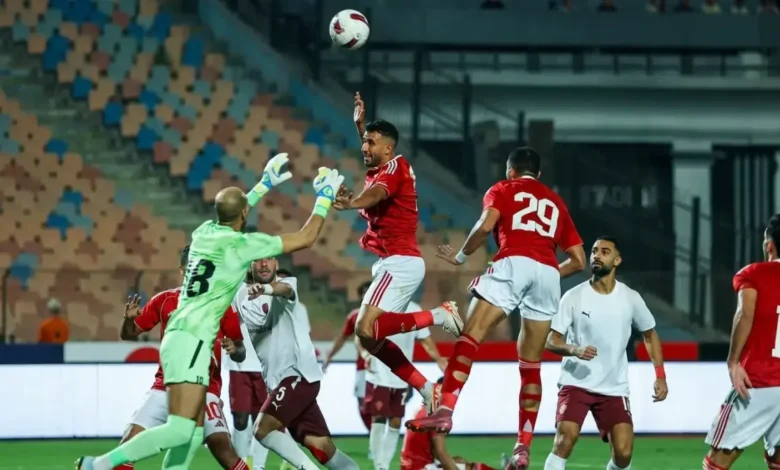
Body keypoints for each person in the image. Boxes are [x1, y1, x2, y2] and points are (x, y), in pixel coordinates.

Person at [76, 155, 345, 470]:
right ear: (243, 213)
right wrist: (324, 197)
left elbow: (232, 212)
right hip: (194, 341)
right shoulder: (241, 247)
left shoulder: (202, 233)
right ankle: (99, 465)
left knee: (190, 433)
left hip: (179, 336)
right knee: (180, 430)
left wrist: (263, 185)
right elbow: (305, 238)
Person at [405, 146, 587, 470]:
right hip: (547, 274)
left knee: (470, 336)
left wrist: (460, 256)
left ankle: (445, 410)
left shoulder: (502, 189)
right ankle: (523, 446)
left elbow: (485, 225)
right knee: (530, 365)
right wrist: (545, 271)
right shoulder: (556, 202)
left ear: (510, 171)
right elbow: (579, 260)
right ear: (538, 174)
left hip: (513, 260)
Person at [333, 92, 463, 413]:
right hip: (394, 262)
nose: (364, 147)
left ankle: (439, 315)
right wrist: (361, 127)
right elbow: (376, 163)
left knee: (364, 328)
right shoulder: (385, 166)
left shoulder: (394, 167)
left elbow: (377, 195)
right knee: (371, 337)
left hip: (400, 262)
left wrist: (351, 203)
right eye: (364, 142)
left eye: (370, 143)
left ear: (388, 148)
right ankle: (426, 387)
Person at [116, 245, 249, 470]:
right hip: (166, 386)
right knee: (126, 448)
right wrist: (128, 320)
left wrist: (234, 349)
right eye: (190, 270)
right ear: (181, 270)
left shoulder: (221, 304)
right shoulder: (164, 300)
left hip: (205, 388)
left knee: (223, 448)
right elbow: (129, 334)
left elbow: (240, 351)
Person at [541, 237, 668, 470]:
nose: (597, 255)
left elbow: (650, 335)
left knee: (623, 453)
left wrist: (660, 375)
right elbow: (551, 340)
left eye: (605, 252)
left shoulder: (630, 298)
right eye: (594, 251)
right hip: (576, 383)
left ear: (617, 260)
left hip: (613, 387)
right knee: (564, 439)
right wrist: (574, 349)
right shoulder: (574, 296)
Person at [236, 256, 359, 470]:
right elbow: (237, 343)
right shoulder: (239, 296)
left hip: (297, 375)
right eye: (257, 260)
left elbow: (284, 290)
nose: (264, 264)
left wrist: (266, 289)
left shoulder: (286, 284)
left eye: (269, 259)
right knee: (322, 448)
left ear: (275, 263)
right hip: (277, 382)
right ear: (249, 264)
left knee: (262, 429)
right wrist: (234, 347)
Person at [702, 214, 780, 470]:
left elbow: (745, 314)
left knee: (718, 459)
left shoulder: (754, 274)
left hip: (759, 381)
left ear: (769, 245)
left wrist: (733, 361)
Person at [358, 300, 448, 470]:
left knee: (396, 420)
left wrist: (438, 359)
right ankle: (379, 465)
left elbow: (425, 339)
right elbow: (360, 333)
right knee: (378, 417)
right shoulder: (379, 304)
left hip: (402, 374)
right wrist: (365, 354)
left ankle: (384, 464)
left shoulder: (414, 309)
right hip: (379, 372)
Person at [225, 261, 269, 470]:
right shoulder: (234, 291)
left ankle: (259, 466)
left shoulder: (274, 291)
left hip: (267, 366)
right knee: (240, 420)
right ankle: (240, 464)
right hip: (240, 366)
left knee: (264, 421)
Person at [401, 378, 495, 470]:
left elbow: (435, 453)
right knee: (470, 468)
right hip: (420, 467)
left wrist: (453, 461)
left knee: (460, 462)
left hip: (411, 465)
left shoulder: (426, 408)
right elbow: (440, 453)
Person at [322, 280, 373, 431]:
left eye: (369, 292)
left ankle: (382, 436)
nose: (366, 295)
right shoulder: (355, 316)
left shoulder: (387, 314)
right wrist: (330, 357)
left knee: (382, 404)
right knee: (362, 403)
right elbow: (342, 338)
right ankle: (373, 434)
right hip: (363, 367)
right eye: (363, 293)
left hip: (385, 366)